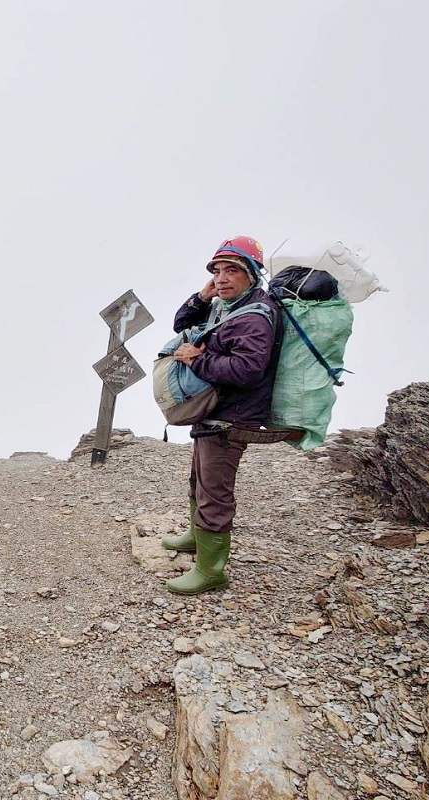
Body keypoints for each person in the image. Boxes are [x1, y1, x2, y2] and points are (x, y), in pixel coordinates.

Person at [160, 236, 280, 595]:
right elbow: (181, 321)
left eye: (232, 270)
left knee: (215, 489)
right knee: (199, 478)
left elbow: (247, 371)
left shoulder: (255, 318)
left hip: (232, 417)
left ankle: (212, 570)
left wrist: (196, 359)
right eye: (217, 271)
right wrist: (203, 295)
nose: (222, 278)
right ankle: (197, 537)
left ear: (253, 274)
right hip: (215, 410)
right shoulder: (226, 305)